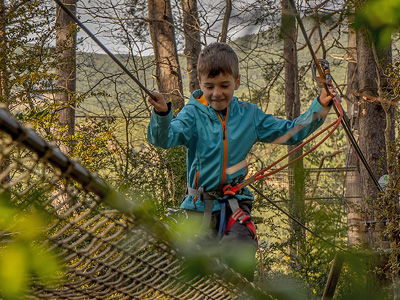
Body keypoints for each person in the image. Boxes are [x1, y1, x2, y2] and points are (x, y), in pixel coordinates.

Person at [147, 42, 335, 280]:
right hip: (197, 208)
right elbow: (164, 138)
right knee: (195, 273)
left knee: (240, 255)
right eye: (209, 86)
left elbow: (290, 131)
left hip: (234, 205)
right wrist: (162, 114)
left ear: (237, 81)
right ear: (200, 84)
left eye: (225, 85)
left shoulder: (249, 115)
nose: (217, 93)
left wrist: (319, 107)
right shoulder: (192, 114)